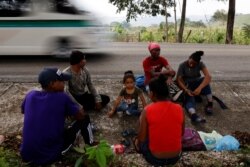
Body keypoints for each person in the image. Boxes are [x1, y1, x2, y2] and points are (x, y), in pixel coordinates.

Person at [20, 67, 95, 165]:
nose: (64, 84)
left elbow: (23, 111)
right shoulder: (62, 97)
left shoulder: (30, 95)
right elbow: (80, 116)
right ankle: (91, 146)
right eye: (62, 81)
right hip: (50, 156)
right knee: (85, 119)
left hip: (26, 154)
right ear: (52, 84)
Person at [134, 74, 185, 166]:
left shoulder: (147, 110)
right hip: (175, 157)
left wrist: (137, 138)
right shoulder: (179, 108)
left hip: (155, 158)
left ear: (153, 93)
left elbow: (142, 138)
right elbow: (182, 133)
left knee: (138, 139)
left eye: (149, 91)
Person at [176, 50, 213, 123]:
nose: (192, 65)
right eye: (191, 63)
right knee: (189, 98)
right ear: (189, 58)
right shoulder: (182, 65)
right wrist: (186, 89)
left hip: (197, 83)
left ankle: (210, 103)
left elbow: (208, 76)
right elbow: (179, 80)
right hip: (187, 85)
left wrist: (199, 88)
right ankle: (193, 115)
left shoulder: (200, 64)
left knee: (205, 81)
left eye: (194, 64)